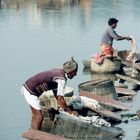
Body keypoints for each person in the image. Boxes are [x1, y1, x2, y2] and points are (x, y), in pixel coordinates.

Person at [21, 57, 78, 130]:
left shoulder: (59, 72)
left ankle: (34, 133)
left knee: (36, 116)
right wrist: (70, 112)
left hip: (28, 87)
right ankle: (35, 136)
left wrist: (64, 108)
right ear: (70, 71)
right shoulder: (62, 79)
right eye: (75, 71)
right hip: (30, 91)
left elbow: (57, 97)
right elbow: (60, 99)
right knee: (39, 117)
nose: (75, 74)